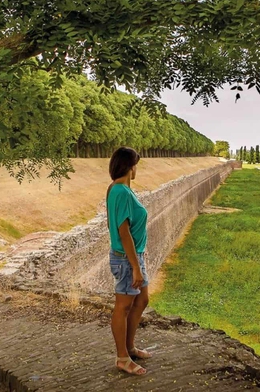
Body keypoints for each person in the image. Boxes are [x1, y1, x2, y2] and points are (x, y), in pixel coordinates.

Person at [106, 146, 151, 376]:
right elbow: (123, 232)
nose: (136, 169)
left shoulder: (118, 188)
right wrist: (135, 267)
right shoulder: (121, 192)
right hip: (126, 259)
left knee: (141, 300)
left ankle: (130, 347)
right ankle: (122, 357)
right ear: (129, 166)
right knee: (123, 307)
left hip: (133, 256)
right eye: (135, 165)